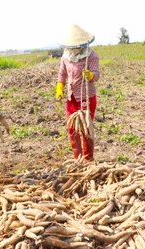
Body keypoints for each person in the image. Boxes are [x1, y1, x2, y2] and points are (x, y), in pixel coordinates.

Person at [55, 24, 100, 161]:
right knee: (72, 128)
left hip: (86, 97)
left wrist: (91, 76)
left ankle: (88, 159)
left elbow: (97, 75)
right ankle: (77, 159)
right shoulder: (66, 56)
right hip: (71, 98)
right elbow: (62, 75)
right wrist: (59, 89)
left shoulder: (91, 56)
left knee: (86, 129)